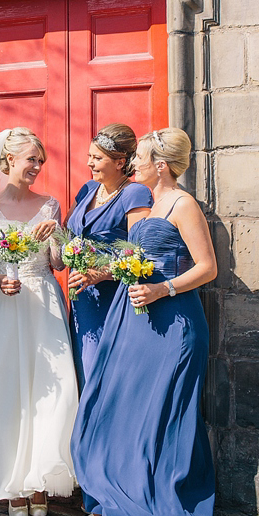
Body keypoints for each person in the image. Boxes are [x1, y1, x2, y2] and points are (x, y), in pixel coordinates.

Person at [71, 127, 217, 516]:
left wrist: (163, 289)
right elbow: (132, 261)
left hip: (176, 327)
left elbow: (207, 268)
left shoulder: (183, 204)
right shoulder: (146, 204)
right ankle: (150, 514)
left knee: (176, 423)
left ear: (161, 165)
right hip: (141, 328)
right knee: (139, 421)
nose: (133, 163)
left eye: (141, 158)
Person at [0, 127, 78, 516]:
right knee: (9, 388)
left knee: (51, 390)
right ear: (10, 159)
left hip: (45, 303)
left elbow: (59, 262)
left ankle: (42, 478)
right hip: (7, 305)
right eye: (32, 159)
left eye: (40, 161)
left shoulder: (50, 205)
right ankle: (12, 481)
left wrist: (58, 235)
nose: (37, 167)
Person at [65, 124, 153, 390]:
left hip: (112, 296)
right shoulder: (88, 189)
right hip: (82, 299)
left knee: (103, 372)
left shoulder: (135, 193)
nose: (89, 162)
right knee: (81, 368)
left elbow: (140, 251)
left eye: (97, 158)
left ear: (120, 162)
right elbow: (67, 231)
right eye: (90, 156)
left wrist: (101, 273)